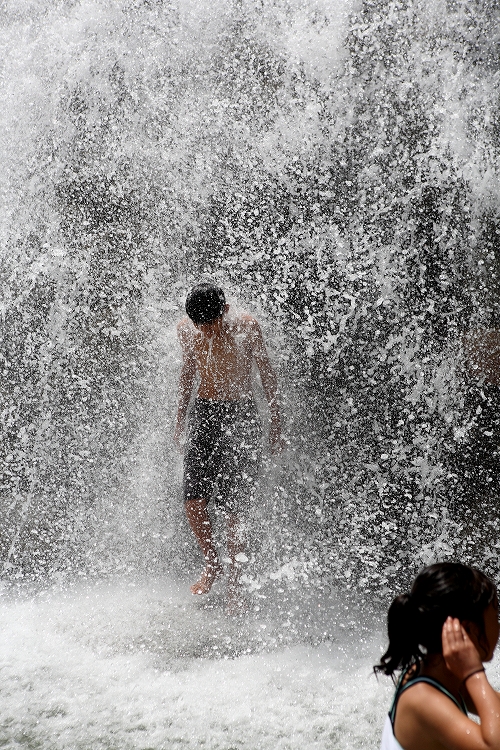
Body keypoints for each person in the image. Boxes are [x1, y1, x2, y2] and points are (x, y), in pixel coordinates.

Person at [174, 282, 282, 608]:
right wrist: (180, 418)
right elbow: (188, 373)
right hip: (204, 415)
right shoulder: (188, 330)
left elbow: (267, 376)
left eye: (210, 322)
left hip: (241, 417)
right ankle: (212, 562)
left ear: (224, 311)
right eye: (199, 324)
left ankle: (235, 586)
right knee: (193, 501)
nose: (205, 330)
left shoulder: (246, 328)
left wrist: (276, 423)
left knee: (234, 510)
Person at [375, 562, 500, 750]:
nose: (498, 626)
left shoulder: (440, 673)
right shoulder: (423, 698)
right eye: (496, 613)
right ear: (468, 629)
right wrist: (474, 672)